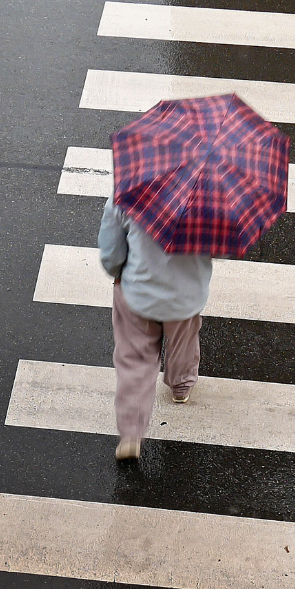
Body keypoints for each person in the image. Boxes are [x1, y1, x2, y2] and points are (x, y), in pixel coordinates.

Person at [98, 195, 213, 461]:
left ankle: (130, 433)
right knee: (183, 342)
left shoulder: (129, 188)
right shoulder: (210, 195)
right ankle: (181, 386)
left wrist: (116, 270)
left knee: (134, 359)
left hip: (136, 290)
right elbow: (223, 246)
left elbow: (111, 246)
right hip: (185, 295)